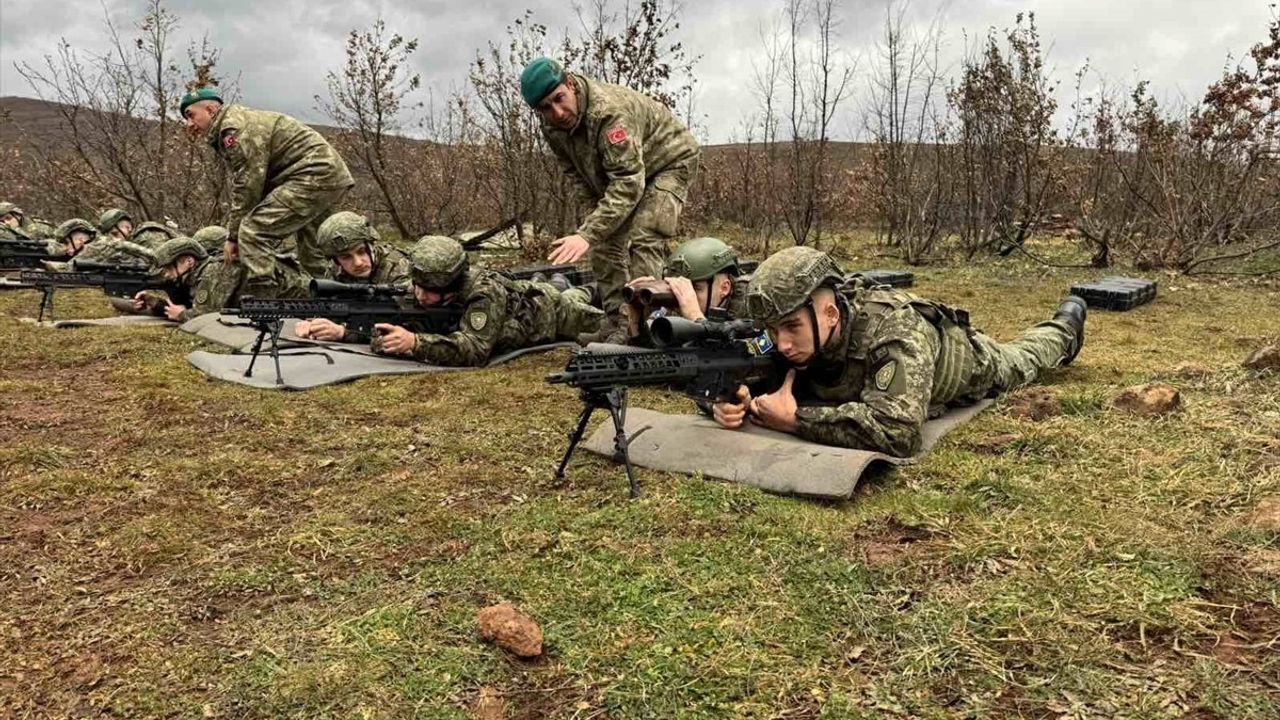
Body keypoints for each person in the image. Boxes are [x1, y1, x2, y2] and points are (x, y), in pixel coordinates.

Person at [710, 247, 1087, 457]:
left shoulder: (894, 331)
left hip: (969, 363)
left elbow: (897, 431)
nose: (782, 344)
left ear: (830, 313)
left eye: (792, 327)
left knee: (1023, 358)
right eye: (773, 331)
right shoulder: (793, 338)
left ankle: (1064, 327)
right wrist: (732, 400)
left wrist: (796, 421)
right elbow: (746, 372)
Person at [520, 57, 700, 343]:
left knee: (644, 234)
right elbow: (577, 175)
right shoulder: (552, 127)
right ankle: (619, 322)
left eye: (560, 99)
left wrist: (587, 233)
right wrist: (593, 227)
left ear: (570, 85)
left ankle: (648, 326)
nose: (557, 111)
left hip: (669, 162)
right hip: (625, 172)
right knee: (603, 243)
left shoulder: (609, 113)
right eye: (545, 108)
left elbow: (629, 182)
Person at [179, 86, 354, 295]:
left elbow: (248, 184)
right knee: (313, 250)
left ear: (210, 109)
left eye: (191, 115)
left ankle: (263, 302)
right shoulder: (237, 121)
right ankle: (338, 301)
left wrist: (233, 236)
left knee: (253, 230)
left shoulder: (233, 129)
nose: (189, 124)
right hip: (323, 175)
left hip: (311, 175)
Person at [371, 235, 604, 366]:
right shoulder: (419, 283)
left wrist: (415, 343)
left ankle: (595, 288)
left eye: (430, 290)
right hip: (526, 297)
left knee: (602, 321)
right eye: (417, 286)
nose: (420, 296)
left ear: (452, 285)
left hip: (548, 312)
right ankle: (571, 286)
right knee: (569, 292)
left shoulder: (483, 292)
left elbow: (474, 349)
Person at [294, 211, 413, 343]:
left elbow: (404, 326)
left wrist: (344, 333)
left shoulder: (398, 267)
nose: (358, 262)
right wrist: (314, 325)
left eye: (361, 251)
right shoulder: (336, 272)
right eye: (346, 257)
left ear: (371, 245)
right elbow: (331, 310)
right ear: (336, 260)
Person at [139, 236, 309, 322]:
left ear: (189, 262)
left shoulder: (215, 271)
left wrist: (182, 315)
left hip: (303, 302)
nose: (167, 274)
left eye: (169, 268)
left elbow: (207, 316)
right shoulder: (205, 273)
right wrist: (155, 302)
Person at [625, 236, 748, 344]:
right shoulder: (673, 308)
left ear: (724, 288)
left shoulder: (749, 308)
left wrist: (696, 318)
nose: (684, 296)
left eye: (694, 288)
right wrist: (636, 326)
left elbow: (727, 363)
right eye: (677, 287)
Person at [42, 218, 154, 269]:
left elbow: (67, 269)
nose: (67, 249)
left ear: (80, 239)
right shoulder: (101, 241)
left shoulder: (95, 247)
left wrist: (43, 264)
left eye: (67, 243)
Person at [98, 208, 179, 249]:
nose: (113, 239)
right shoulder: (132, 241)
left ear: (128, 227)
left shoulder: (148, 236)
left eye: (115, 234)